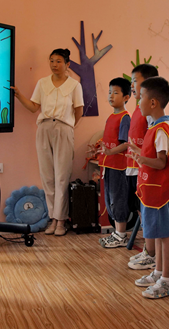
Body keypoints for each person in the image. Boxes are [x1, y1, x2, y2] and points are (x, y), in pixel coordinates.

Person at [10, 48, 84, 237]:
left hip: (63, 128)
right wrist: (18, 95)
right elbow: (34, 107)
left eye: (58, 61)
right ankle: (53, 218)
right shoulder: (42, 83)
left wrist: (68, 127)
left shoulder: (75, 85)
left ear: (67, 64)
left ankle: (61, 221)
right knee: (47, 177)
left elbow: (79, 111)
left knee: (62, 176)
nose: (54, 65)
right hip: (43, 128)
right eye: (51, 61)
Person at [127, 77, 169, 298]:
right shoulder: (155, 127)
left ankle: (167, 280)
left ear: (153, 103)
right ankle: (158, 272)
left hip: (159, 192)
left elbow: (161, 162)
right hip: (151, 191)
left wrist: (142, 158)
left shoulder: (161, 130)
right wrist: (140, 154)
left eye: (141, 97)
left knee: (164, 235)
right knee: (157, 234)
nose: (138, 101)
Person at [127, 64, 160, 270]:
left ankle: (151, 253)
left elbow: (154, 141)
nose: (132, 85)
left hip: (145, 168)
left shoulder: (151, 111)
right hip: (135, 166)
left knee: (147, 211)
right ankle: (149, 250)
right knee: (141, 210)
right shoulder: (139, 107)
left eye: (135, 81)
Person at [97, 78, 132, 248]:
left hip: (119, 166)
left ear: (126, 97)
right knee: (110, 198)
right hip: (109, 165)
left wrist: (110, 152)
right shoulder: (111, 116)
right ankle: (117, 232)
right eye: (110, 92)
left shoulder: (125, 118)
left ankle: (121, 234)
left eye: (116, 92)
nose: (111, 96)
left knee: (118, 198)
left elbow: (126, 143)